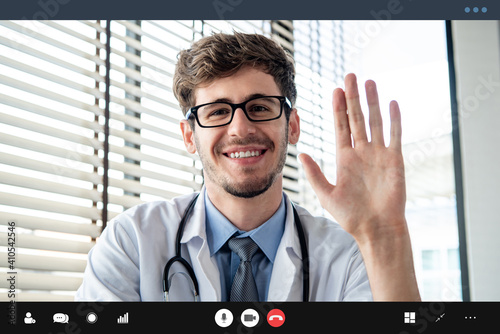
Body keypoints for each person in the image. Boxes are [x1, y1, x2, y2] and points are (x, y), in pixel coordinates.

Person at [75, 32, 420, 302]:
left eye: (259, 107)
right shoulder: (131, 242)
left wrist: (384, 236)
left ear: (293, 126)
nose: (240, 129)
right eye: (217, 111)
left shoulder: (350, 254)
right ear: (189, 136)